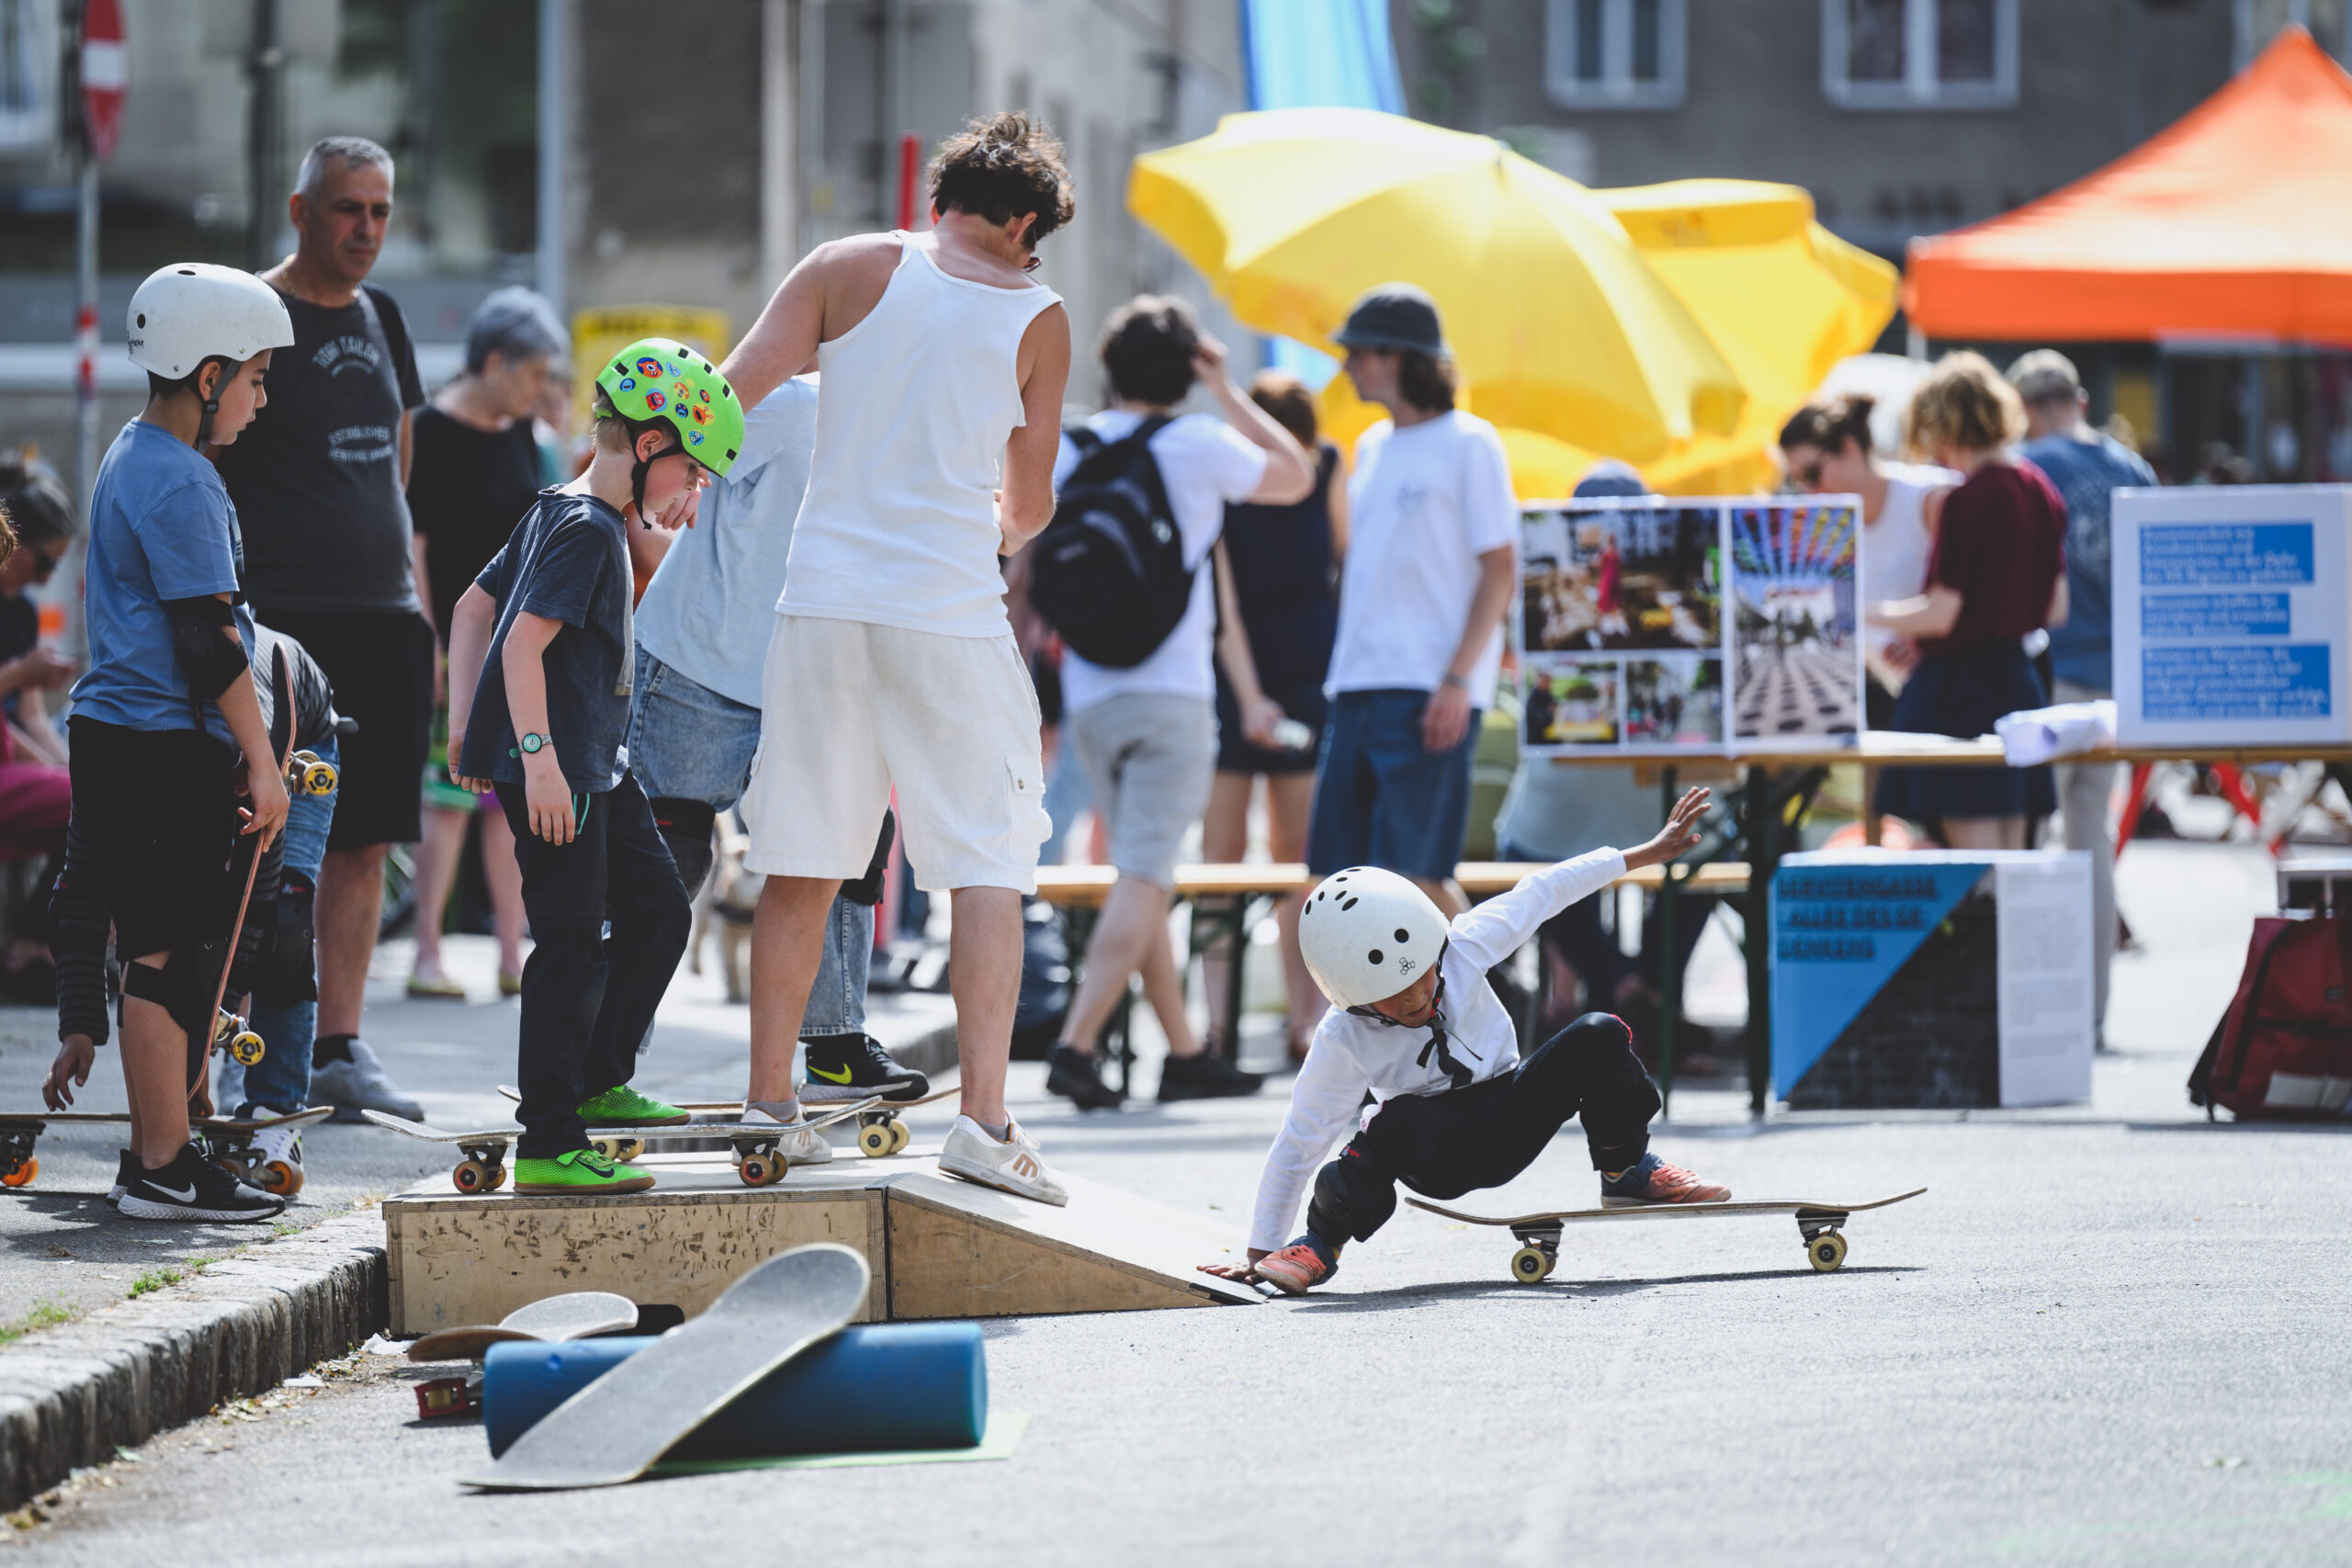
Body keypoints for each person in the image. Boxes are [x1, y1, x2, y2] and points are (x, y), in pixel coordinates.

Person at [718, 112, 1073, 1205]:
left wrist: (665, 489)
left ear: (944, 199)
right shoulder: (1037, 312)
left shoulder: (843, 265)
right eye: (1036, 237)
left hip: (821, 602)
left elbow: (731, 393)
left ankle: (768, 1109)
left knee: (803, 858)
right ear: (1020, 221)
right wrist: (1004, 531)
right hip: (948, 610)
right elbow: (1030, 494)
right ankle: (985, 1119)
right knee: (985, 863)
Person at [1200, 787, 1727, 1295]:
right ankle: (1318, 1246)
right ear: (1352, 998)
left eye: (1424, 978)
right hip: (1434, 1152)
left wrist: (1644, 854)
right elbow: (1299, 1142)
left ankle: (1624, 1168)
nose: (1414, 999)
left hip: (1511, 1110)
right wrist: (1258, 1252)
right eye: (1391, 996)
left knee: (1600, 1033)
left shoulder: (1464, 945)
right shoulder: (1343, 1036)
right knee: (1391, 1120)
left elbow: (1544, 892)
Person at [442, 336, 721, 1196]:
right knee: (569, 947)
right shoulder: (588, 530)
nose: (694, 490)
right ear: (647, 447)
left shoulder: (553, 506)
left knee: (660, 911)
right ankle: (550, 1136)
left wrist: (464, 731)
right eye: (693, 469)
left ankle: (600, 1079)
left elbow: (471, 608)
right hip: (562, 774)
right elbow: (521, 646)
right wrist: (537, 760)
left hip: (599, 765)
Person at [50, 262, 291, 1222]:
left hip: (120, 734)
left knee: (162, 947)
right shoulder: (181, 480)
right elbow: (206, 640)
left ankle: (159, 1156)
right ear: (206, 375)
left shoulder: (131, 454)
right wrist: (266, 763)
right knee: (164, 954)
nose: (260, 400)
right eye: (256, 378)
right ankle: (163, 1166)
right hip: (156, 740)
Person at [1038, 298, 1314, 1112]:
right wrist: (1227, 390)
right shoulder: (1197, 443)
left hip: (1093, 693)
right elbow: (1296, 473)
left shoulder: (1072, 446)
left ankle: (1187, 1050)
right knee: (1148, 873)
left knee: (1139, 874)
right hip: (1172, 696)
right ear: (1186, 367)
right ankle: (1077, 1043)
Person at [629, 370, 922, 1111]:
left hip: (818, 674)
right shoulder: (796, 404)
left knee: (849, 842)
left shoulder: (914, 426)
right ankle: (607, 1051)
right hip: (702, 659)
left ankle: (835, 1045)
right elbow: (650, 468)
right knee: (670, 852)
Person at [210, 137, 428, 1122]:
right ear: (302, 211)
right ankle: (230, 1040)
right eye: (349, 209)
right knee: (259, 837)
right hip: (283, 619)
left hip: (383, 615)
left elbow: (400, 449)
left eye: (380, 211)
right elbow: (204, 453)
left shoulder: (384, 316)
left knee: (366, 839)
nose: (367, 230)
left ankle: (340, 1046)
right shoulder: (252, 312)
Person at [1307, 284, 1517, 917]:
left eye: (1359, 352)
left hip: (1428, 688)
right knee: (1339, 875)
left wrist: (1457, 678)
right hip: (1357, 684)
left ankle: (1477, 1004)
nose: (1346, 365)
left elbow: (1500, 567)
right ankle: (1395, 1014)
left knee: (1415, 874)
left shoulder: (1471, 441)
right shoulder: (1369, 447)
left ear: (1398, 357)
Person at [1496, 464, 1718, 1049]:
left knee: (1528, 858)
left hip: (1562, 808)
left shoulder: (1541, 590)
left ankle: (1619, 988)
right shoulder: (1685, 589)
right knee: (1708, 853)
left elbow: (1512, 668)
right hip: (1662, 805)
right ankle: (1646, 989)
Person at [404, 288, 567, 1002]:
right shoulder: (430, 431)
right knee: (448, 800)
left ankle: (512, 950)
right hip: (455, 641)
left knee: (509, 803)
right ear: (494, 360)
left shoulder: (523, 435)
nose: (541, 390)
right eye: (534, 374)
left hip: (515, 645)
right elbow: (415, 542)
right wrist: (430, 640)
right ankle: (427, 954)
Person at [1199, 370, 1348, 1066]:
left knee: (1219, 862)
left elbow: (1222, 594)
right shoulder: (1322, 466)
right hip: (1303, 667)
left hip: (1236, 670)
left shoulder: (1233, 472)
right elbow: (1346, 559)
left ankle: (1219, 1025)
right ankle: (1305, 1016)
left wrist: (1248, 692)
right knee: (1299, 864)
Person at [2009, 349, 2155, 1044]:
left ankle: (2039, 1006)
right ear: (2083, 400)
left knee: (2034, 837)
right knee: (2092, 839)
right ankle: (2094, 1011)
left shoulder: (2025, 467)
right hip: (2119, 682)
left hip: (2052, 676)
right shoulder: (2134, 469)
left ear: (2026, 408)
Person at [1869, 353, 2067, 848]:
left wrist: (1859, 612)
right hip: (2021, 686)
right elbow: (2056, 610)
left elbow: (1940, 614)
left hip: (1962, 696)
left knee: (1973, 865)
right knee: (2014, 862)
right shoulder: (2040, 491)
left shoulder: (1967, 500)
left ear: (1943, 426)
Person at [1778, 394, 1958, 728]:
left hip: (1950, 698)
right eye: (1797, 481)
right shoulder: (1825, 525)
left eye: (1813, 474)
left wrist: (1931, 642)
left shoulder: (1931, 499)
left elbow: (1976, 597)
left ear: (1848, 447)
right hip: (1887, 701)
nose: (1809, 491)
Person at [0, 458, 78, 1000]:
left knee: (96, 794)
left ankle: (38, 942)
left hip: (13, 758)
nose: (48, 579)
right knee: (91, 800)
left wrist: (69, 768)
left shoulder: (22, 612)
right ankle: (30, 942)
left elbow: (27, 715)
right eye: (45, 562)